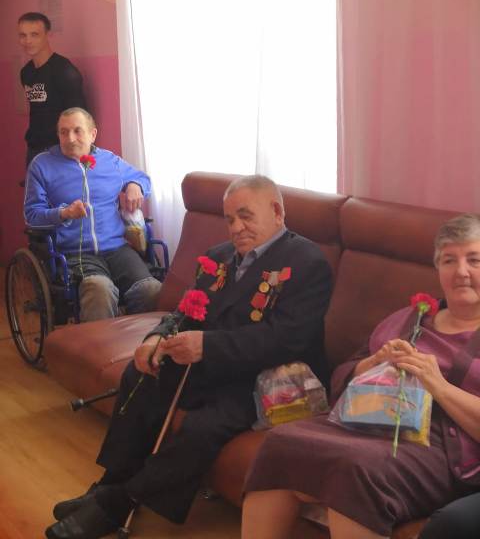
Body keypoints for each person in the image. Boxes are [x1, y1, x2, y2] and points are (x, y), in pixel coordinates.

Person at [44, 174, 333, 539]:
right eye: (229, 219)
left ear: (277, 211)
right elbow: (185, 312)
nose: (236, 228)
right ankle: (109, 482)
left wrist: (206, 346)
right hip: (212, 363)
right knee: (140, 375)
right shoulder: (218, 258)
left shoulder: (307, 262)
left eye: (245, 216)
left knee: (203, 426)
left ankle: (119, 502)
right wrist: (156, 338)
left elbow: (286, 339)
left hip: (267, 379)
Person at [241, 213, 480, 539]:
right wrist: (375, 362)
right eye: (450, 260)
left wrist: (437, 384)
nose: (461, 271)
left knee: (355, 467)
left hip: (441, 448)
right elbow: (344, 376)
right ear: (438, 268)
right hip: (366, 420)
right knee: (281, 441)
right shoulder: (411, 317)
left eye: (474, 260)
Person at [24, 107, 161, 322]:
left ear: (92, 134)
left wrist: (135, 185)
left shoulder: (110, 161)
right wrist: (64, 213)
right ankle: (100, 342)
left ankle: (139, 339)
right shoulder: (42, 165)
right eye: (63, 132)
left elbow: (143, 178)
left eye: (77, 131)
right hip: (75, 252)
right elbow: (32, 215)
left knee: (151, 289)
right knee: (99, 288)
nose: (70, 138)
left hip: (117, 248)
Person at [18, 11, 87, 165]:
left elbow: (80, 116)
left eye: (34, 34)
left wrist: (74, 150)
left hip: (61, 149)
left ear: (48, 35)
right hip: (34, 148)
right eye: (23, 35)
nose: (28, 41)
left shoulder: (64, 70)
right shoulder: (26, 72)